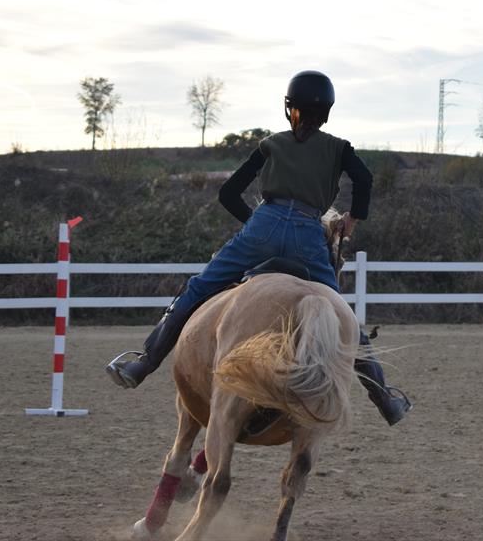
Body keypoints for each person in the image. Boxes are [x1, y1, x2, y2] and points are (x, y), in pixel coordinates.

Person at [105, 70, 411, 426]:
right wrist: (352, 220)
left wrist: (257, 223)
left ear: (290, 108)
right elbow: (365, 179)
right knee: (341, 313)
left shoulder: (270, 144)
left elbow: (228, 193)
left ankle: (143, 363)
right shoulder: (339, 148)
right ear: (327, 111)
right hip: (308, 236)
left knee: (199, 287)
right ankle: (385, 399)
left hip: (262, 226)